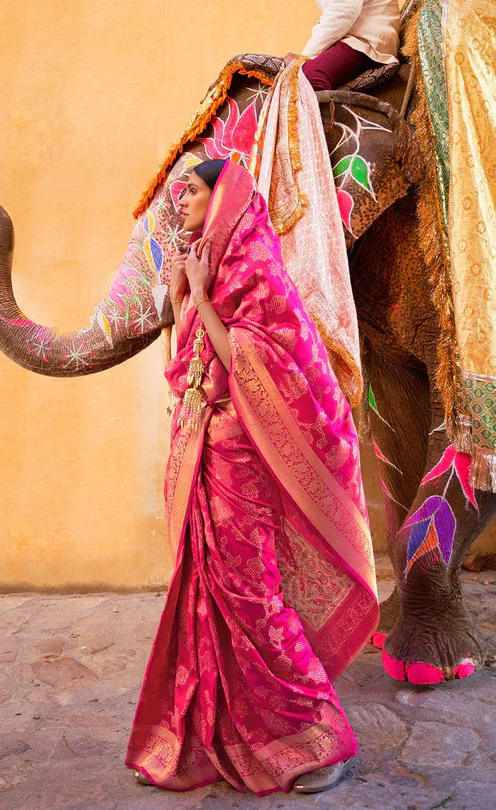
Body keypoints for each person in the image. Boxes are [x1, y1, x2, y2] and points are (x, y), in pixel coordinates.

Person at [125, 159, 378, 795]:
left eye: (195, 191)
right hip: (204, 459)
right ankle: (207, 742)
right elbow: (186, 363)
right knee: (202, 602)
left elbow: (250, 364)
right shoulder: (203, 265)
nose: (182, 199)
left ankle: (323, 742)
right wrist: (185, 296)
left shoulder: (257, 273)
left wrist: (204, 298)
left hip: (244, 465)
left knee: (254, 600)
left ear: (225, 200)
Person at [301, 0, 400, 90]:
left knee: (309, 79)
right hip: (355, 38)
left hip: (367, 41)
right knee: (300, 75)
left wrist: (303, 58)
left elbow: (344, 11)